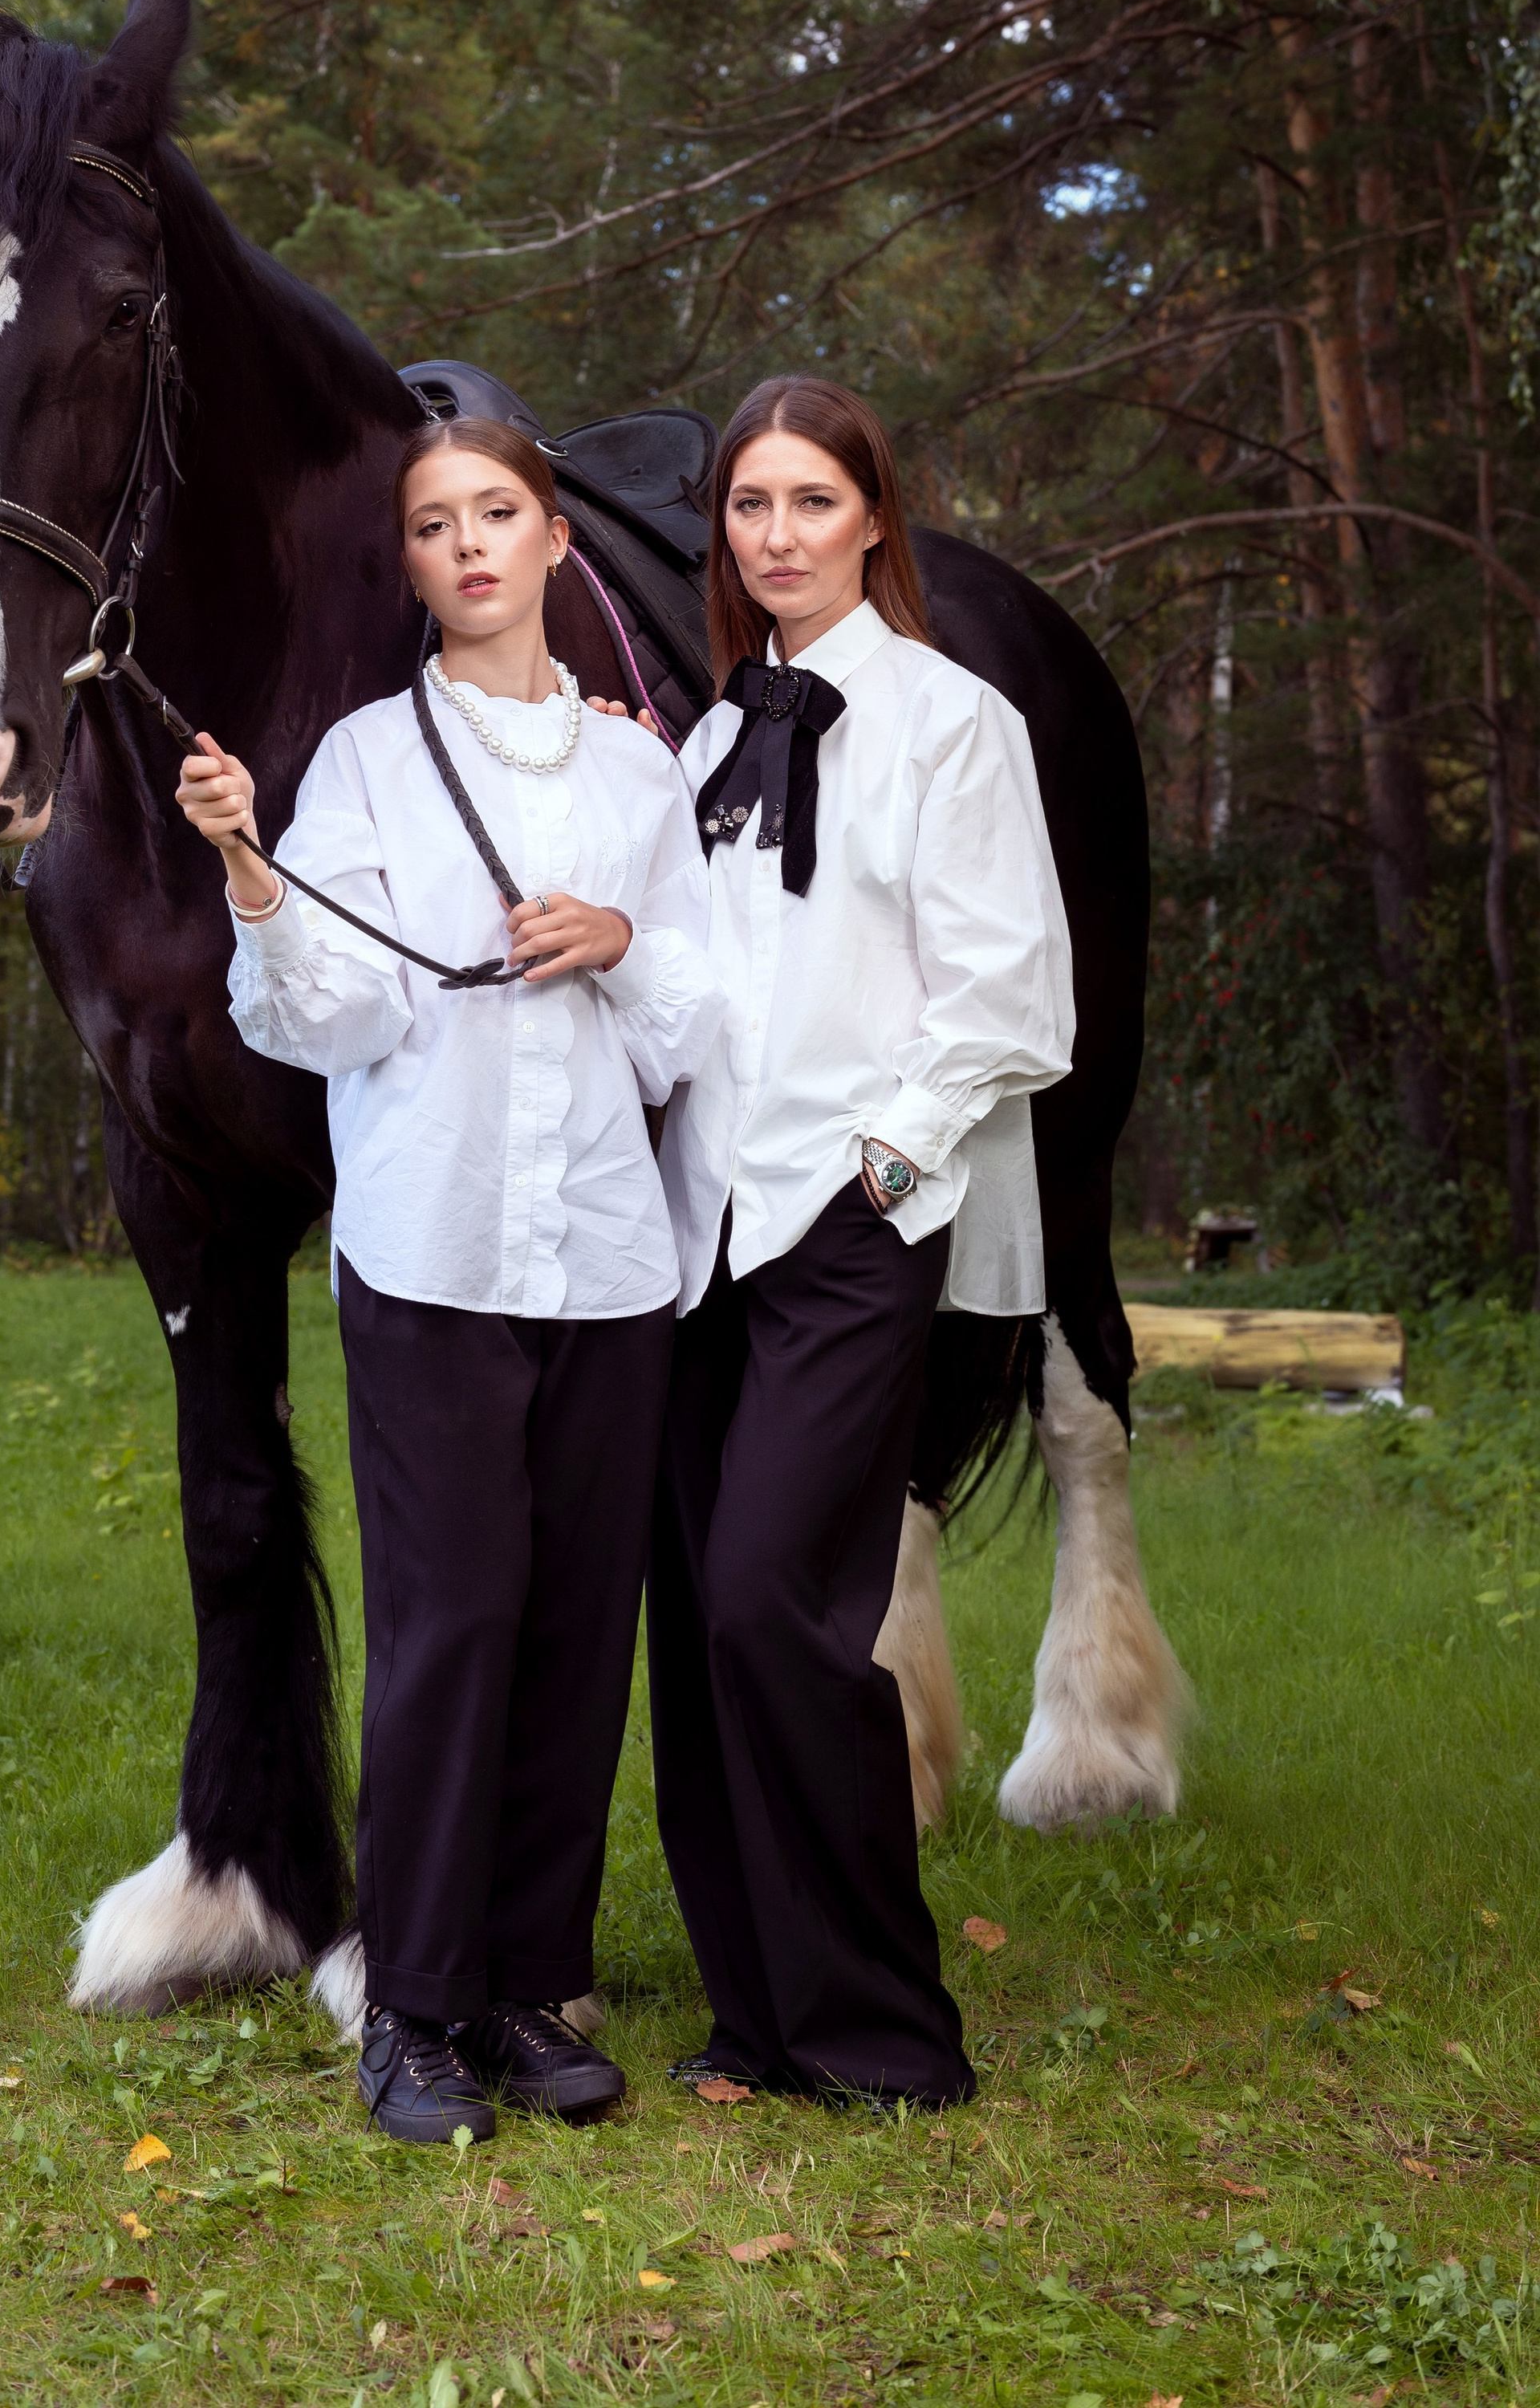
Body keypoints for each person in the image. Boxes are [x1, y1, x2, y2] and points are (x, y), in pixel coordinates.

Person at [175, 417, 724, 2146]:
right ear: (406, 562)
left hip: (611, 1263)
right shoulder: (360, 764)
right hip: (429, 1255)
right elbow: (328, 1016)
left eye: (497, 513)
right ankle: (408, 2004)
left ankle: (517, 1983)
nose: (469, 544)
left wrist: (621, 944)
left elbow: (700, 1028)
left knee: (575, 1632)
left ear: (556, 538)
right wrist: (254, 869)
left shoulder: (645, 779)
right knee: (451, 1622)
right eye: (433, 523)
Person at [650, 376, 1074, 2112]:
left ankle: (881, 2031)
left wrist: (882, 1181)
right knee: (694, 1620)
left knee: (777, 1603)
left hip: (847, 1222)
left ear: (871, 517)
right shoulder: (705, 740)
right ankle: (753, 2016)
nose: (776, 537)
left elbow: (1007, 998)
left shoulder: (951, 723)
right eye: (748, 507)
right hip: (701, 1240)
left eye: (809, 503)